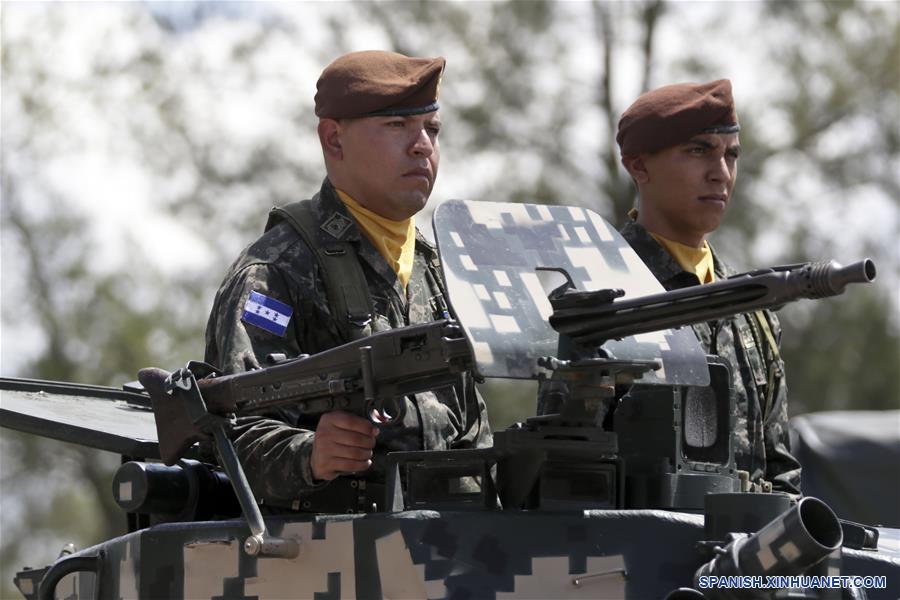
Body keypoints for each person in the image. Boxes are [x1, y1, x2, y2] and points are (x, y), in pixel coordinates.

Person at [204, 50, 492, 513]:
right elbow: (230, 434)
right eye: (397, 126)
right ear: (333, 140)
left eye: (432, 129)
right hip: (333, 560)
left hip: (451, 548)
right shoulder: (277, 270)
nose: (422, 145)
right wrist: (311, 455)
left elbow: (472, 426)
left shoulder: (438, 269)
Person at [614, 79, 801, 494]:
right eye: (698, 151)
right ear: (638, 166)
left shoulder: (753, 310)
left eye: (730, 155)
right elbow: (568, 468)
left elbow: (780, 472)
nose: (721, 173)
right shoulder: (606, 296)